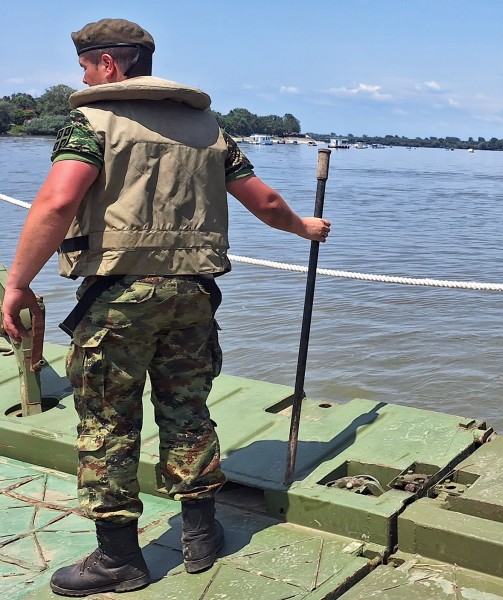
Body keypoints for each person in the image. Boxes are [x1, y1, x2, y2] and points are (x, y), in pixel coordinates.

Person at [0, 19, 331, 597]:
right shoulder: (208, 129)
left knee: (107, 423)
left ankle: (119, 560)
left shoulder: (91, 122)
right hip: (193, 296)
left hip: (117, 299)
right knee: (188, 408)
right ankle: (202, 537)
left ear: (108, 64)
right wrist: (304, 227)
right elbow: (268, 201)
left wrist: (16, 284)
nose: (81, 76)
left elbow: (57, 201)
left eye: (83, 66)